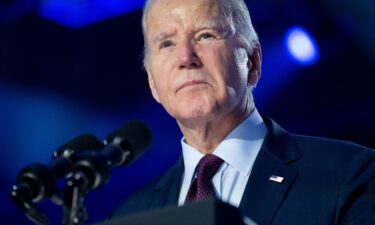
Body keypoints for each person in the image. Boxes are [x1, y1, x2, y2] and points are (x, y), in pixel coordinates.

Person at [111, 0, 375, 224]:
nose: (186, 57)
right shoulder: (132, 214)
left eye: (205, 35)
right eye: (167, 43)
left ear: (253, 61)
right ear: (153, 84)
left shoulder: (349, 175)